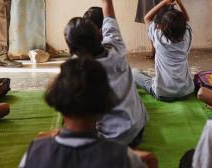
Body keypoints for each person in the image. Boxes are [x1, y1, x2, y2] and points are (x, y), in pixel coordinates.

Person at [64, 0, 149, 147]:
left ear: (71, 50)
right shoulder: (116, 46)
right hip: (137, 129)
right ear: (99, 33)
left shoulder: (79, 69)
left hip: (109, 141)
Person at [19, 57, 157, 168]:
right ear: (106, 102)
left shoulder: (35, 152)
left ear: (58, 97)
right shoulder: (122, 156)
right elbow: (149, 161)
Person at [133, 0, 194, 101]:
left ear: (163, 27)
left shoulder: (158, 38)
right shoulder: (187, 38)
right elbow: (187, 20)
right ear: (183, 27)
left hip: (163, 93)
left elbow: (147, 18)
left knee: (134, 72)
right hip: (186, 91)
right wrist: (179, 2)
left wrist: (165, 1)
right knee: (153, 78)